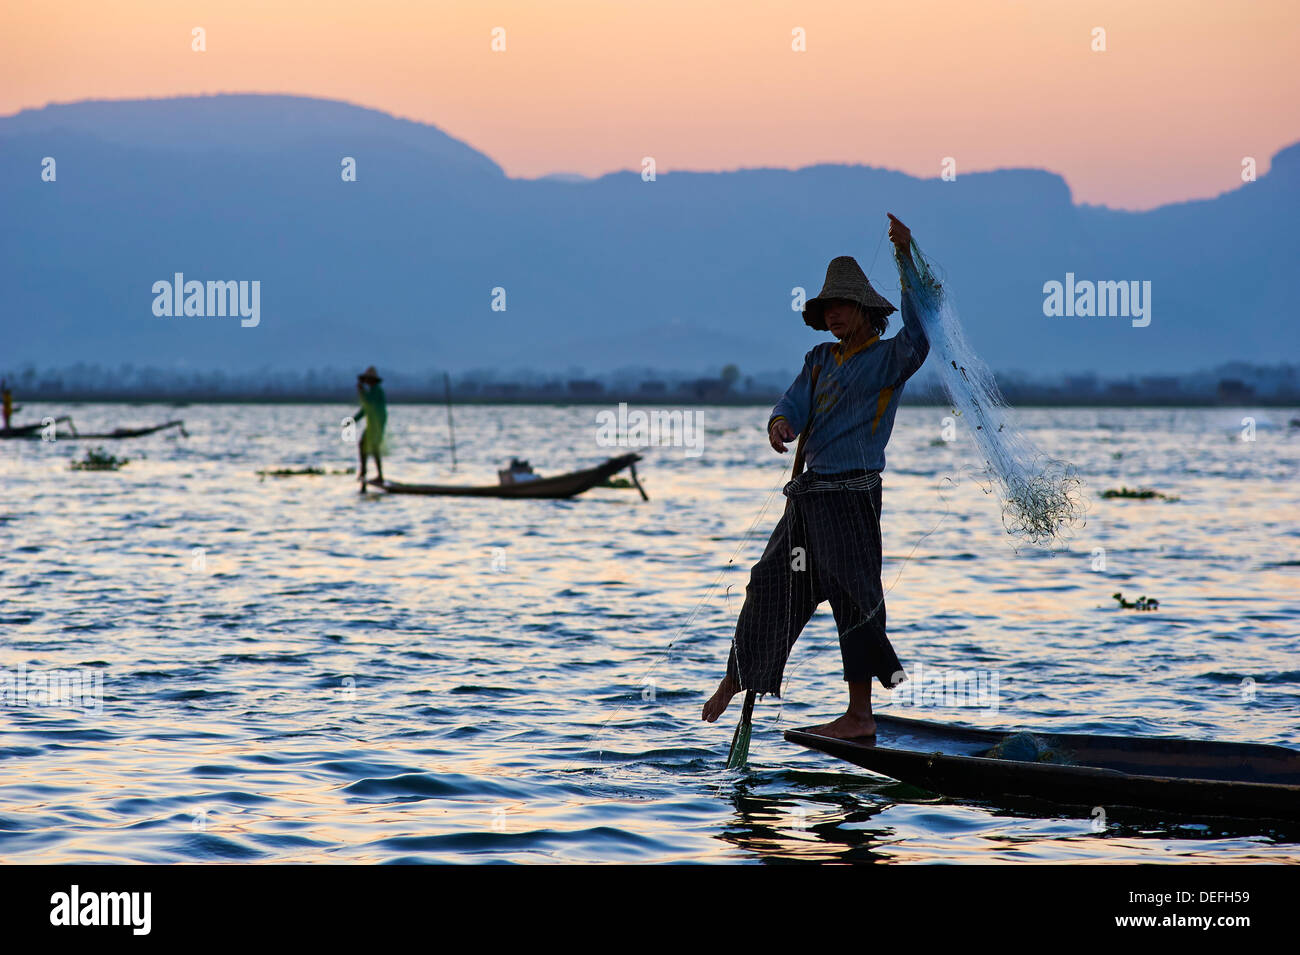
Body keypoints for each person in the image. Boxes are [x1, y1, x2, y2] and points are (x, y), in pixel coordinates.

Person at [702, 213, 930, 740]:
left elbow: (920, 335)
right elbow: (793, 405)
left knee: (854, 596)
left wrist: (906, 259)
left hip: (851, 502)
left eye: (843, 306)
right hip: (807, 503)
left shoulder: (889, 358)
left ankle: (860, 715)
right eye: (828, 307)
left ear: (866, 311)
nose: (834, 314)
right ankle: (737, 677)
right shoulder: (819, 360)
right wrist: (780, 423)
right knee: (769, 583)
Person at [352, 366, 387, 491]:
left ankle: (372, 473)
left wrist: (361, 391)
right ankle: (365, 471)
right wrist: (353, 420)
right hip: (373, 424)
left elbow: (368, 402)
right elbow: (365, 409)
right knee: (366, 445)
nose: (366, 382)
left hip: (377, 424)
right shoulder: (372, 390)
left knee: (371, 446)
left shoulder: (376, 391)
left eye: (368, 380)